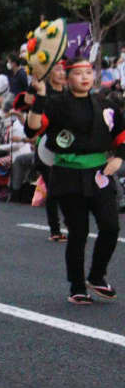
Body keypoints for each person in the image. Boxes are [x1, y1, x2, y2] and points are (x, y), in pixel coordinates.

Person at [26, 57, 124, 304]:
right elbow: (33, 129)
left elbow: (121, 132)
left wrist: (119, 158)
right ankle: (77, 286)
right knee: (78, 233)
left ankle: (97, 275)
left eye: (88, 72)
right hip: (68, 175)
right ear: (67, 77)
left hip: (100, 173)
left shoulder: (105, 102)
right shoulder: (56, 104)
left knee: (111, 226)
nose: (84, 77)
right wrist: (39, 98)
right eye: (78, 73)